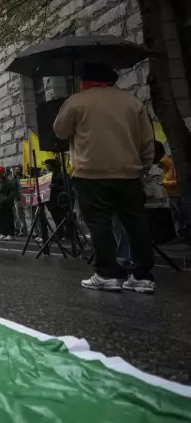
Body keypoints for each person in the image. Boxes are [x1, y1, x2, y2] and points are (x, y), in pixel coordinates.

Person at [53, 62, 156, 293]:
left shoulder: (77, 101)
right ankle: (142, 277)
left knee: (99, 223)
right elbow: (147, 141)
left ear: (86, 82)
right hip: (129, 172)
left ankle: (107, 273)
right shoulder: (132, 102)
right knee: (136, 223)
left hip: (91, 173)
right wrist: (144, 167)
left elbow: (60, 131)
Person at [157, 141, 186, 242]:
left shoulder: (173, 168)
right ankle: (178, 235)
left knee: (180, 215)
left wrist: (168, 183)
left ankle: (184, 235)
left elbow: (178, 181)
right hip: (169, 195)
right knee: (174, 216)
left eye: (161, 165)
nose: (160, 167)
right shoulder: (165, 171)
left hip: (177, 194)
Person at [0, 166, 19, 241]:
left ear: (2, 173)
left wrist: (7, 200)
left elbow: (12, 191)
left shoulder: (8, 180)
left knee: (8, 218)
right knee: (1, 218)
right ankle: (3, 233)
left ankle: (11, 234)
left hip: (6, 202)